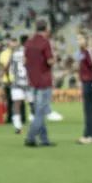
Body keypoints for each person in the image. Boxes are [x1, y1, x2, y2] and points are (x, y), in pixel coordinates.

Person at [24, 19, 56, 147]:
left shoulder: (29, 42)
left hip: (32, 80)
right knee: (40, 111)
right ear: (46, 28)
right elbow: (50, 61)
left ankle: (44, 139)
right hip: (44, 80)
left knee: (38, 109)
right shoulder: (45, 42)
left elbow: (24, 61)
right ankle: (31, 137)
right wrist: (55, 59)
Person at [75, 32, 92, 145]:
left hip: (89, 82)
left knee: (88, 109)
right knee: (91, 109)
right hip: (86, 81)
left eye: (80, 39)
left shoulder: (88, 52)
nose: (78, 41)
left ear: (86, 40)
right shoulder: (82, 53)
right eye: (77, 39)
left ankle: (88, 135)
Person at [9, 35, 31, 134]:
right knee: (33, 104)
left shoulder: (14, 53)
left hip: (17, 82)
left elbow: (10, 68)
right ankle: (34, 124)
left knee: (16, 104)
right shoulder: (30, 52)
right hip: (28, 82)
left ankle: (17, 126)